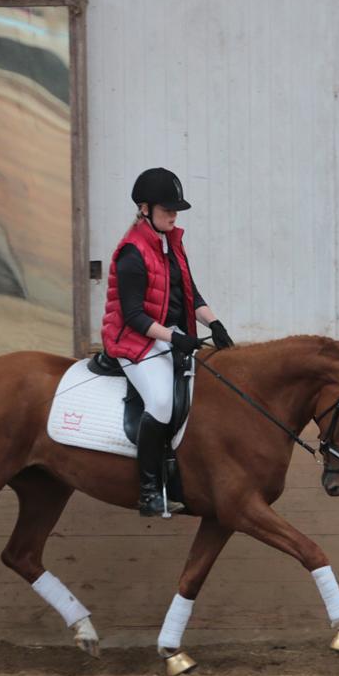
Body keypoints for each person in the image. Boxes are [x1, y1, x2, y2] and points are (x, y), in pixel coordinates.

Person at [100, 168, 234, 517]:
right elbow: (133, 316)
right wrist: (175, 337)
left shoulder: (172, 242)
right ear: (145, 209)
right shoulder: (131, 253)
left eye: (176, 210)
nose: (174, 215)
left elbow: (190, 293)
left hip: (168, 335)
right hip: (134, 339)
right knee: (160, 402)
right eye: (167, 209)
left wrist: (214, 322)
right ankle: (148, 491)